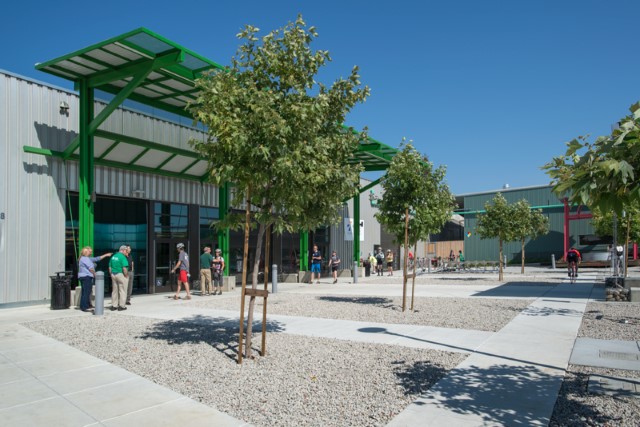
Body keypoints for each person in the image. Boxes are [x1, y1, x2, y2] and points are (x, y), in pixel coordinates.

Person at [78, 247, 112, 312]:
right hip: (86, 276)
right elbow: (91, 268)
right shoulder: (85, 259)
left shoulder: (84, 258)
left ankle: (84, 305)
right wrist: (95, 274)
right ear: (86, 252)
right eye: (90, 252)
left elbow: (97, 259)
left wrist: (106, 255)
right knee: (87, 292)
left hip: (83, 276)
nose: (91, 253)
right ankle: (85, 307)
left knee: (84, 292)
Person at [109, 246, 129, 311]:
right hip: (120, 274)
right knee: (122, 290)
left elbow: (110, 267)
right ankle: (121, 306)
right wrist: (126, 275)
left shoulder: (113, 257)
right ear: (122, 250)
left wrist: (111, 274)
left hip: (113, 274)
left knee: (114, 290)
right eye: (126, 250)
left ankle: (114, 306)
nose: (127, 252)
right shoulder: (122, 257)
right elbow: (124, 268)